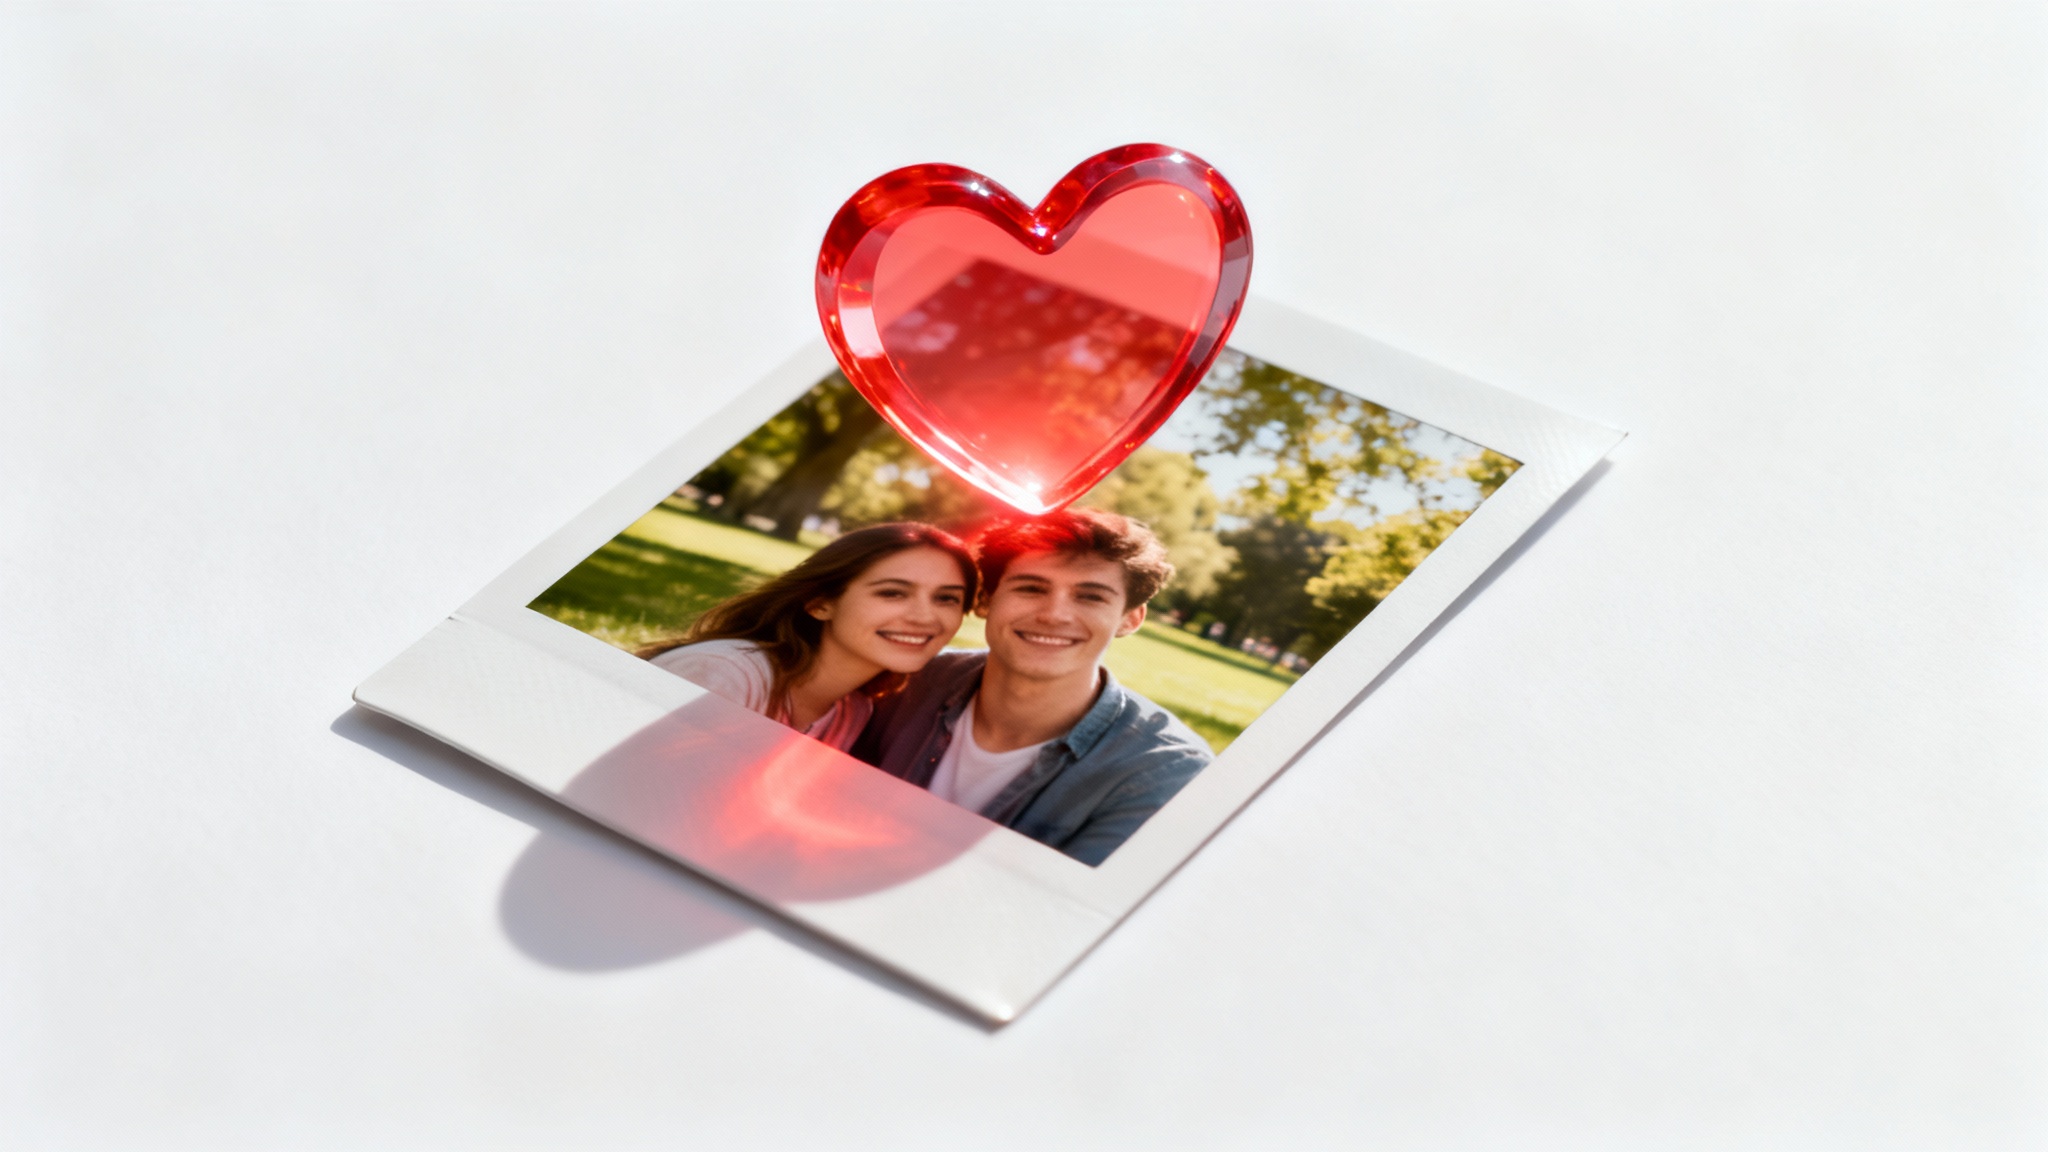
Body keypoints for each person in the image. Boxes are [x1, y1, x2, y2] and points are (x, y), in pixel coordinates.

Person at [852, 508, 1214, 865]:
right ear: (985, 600)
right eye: (1031, 588)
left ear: (1130, 619)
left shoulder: (1165, 771)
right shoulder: (902, 681)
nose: (1054, 615)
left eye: (1091, 596)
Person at [641, 523, 977, 751]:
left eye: (946, 598)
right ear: (820, 603)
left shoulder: (851, 713)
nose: (925, 617)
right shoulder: (724, 674)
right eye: (892, 593)